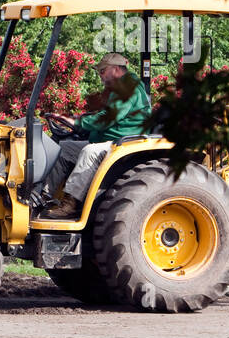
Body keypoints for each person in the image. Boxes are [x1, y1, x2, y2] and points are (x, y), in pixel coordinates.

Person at [38, 52, 152, 219]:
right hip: (114, 139)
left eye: (102, 71)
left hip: (125, 142)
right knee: (65, 147)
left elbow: (108, 118)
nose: (100, 75)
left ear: (115, 69)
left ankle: (70, 203)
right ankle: (43, 196)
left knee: (89, 152)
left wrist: (78, 123)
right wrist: (77, 119)